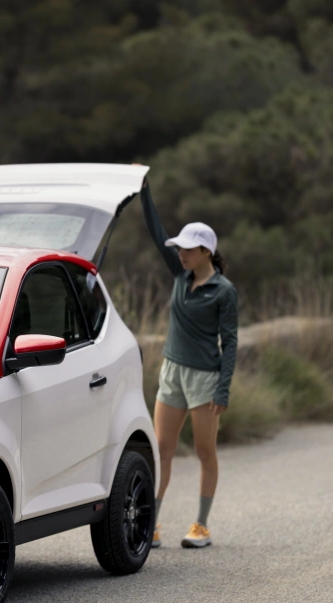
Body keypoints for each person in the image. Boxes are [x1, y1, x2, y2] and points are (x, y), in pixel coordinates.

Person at [141, 186, 237, 548]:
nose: (180, 254)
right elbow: (156, 233)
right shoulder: (179, 275)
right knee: (160, 449)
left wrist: (223, 389)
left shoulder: (224, 291)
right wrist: (144, 191)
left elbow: (230, 343)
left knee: (204, 452)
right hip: (172, 373)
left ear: (205, 252)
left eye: (187, 249)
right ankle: (150, 524)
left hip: (204, 379)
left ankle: (201, 526)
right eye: (179, 249)